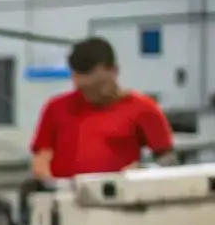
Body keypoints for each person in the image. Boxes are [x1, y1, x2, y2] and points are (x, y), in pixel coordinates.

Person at [31, 37, 174, 180]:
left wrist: (144, 169)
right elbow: (42, 156)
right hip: (66, 190)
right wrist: (46, 178)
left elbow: (168, 160)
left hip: (119, 189)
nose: (90, 96)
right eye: (84, 89)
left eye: (97, 87)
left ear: (114, 71)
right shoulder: (57, 108)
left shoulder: (143, 109)